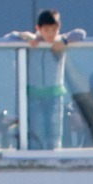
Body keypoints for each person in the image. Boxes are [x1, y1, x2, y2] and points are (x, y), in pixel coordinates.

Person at [6, 10, 85, 150]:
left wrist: (64, 41)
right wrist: (25, 36)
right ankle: (37, 159)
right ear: (38, 28)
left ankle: (54, 158)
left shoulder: (59, 40)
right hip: (34, 95)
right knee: (37, 129)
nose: (50, 34)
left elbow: (81, 34)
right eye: (46, 30)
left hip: (54, 96)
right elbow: (8, 38)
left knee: (54, 129)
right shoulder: (32, 42)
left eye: (54, 30)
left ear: (59, 27)